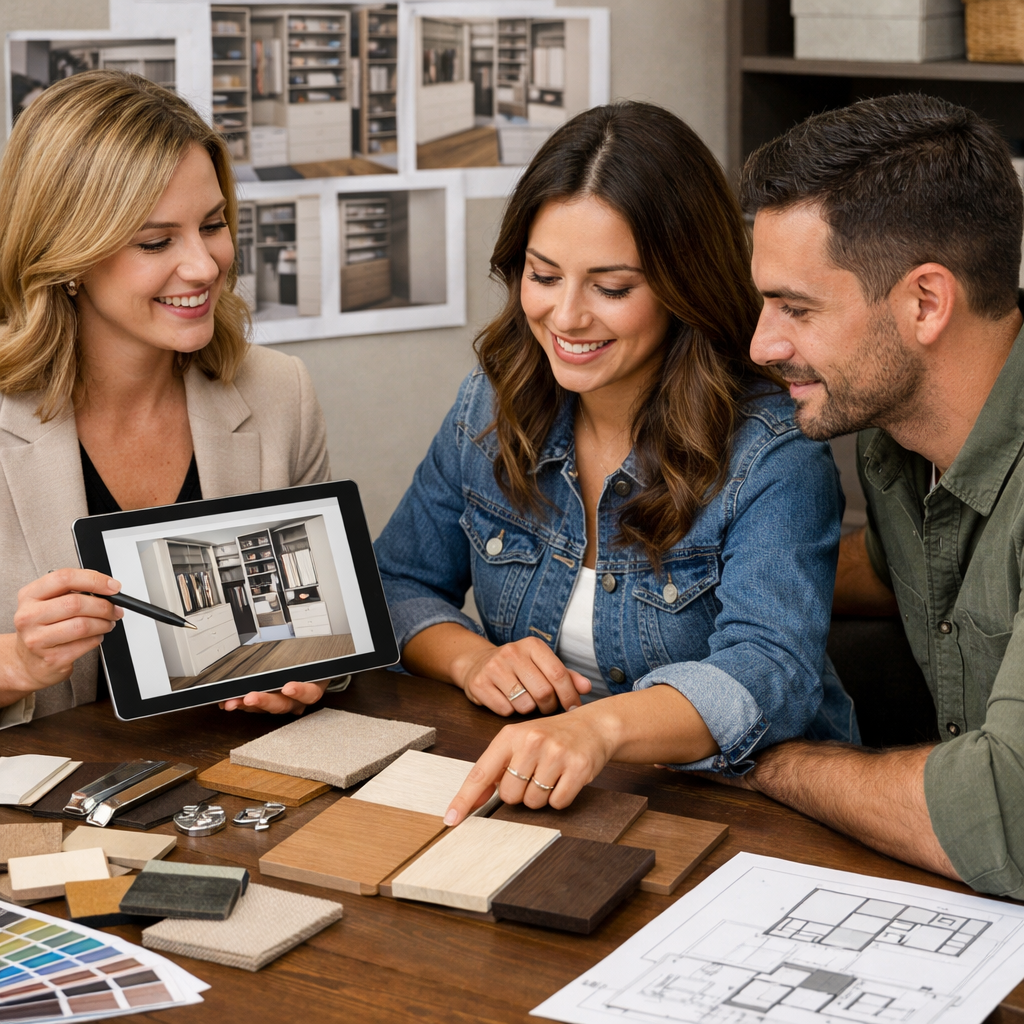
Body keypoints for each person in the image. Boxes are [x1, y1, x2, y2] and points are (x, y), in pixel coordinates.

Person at [373, 101, 857, 826]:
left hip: (741, 810)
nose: (566, 317)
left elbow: (768, 672)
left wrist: (597, 728)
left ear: (681, 285)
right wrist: (472, 658)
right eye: (544, 275)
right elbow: (392, 581)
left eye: (611, 288)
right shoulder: (490, 406)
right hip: (553, 796)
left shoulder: (772, 451)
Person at [733, 92, 1024, 900]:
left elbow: (1013, 809)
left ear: (926, 303)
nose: (764, 344)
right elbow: (902, 569)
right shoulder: (894, 443)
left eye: (797, 307)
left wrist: (777, 762)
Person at [0, 70, 331, 727]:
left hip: (235, 785)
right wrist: (13, 666)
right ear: (66, 255)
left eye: (212, 225)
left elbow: (330, 629)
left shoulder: (278, 391)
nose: (205, 266)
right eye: (156, 242)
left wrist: (308, 668)